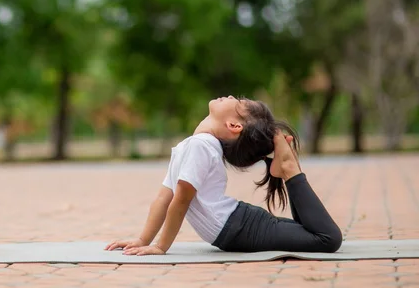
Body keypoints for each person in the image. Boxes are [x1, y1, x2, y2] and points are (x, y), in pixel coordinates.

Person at [105, 96, 342, 256]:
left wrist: (161, 246)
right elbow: (163, 198)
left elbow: (181, 200)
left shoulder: (201, 147)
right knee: (313, 232)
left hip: (239, 228)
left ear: (234, 125)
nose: (229, 96)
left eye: (237, 101)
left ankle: (288, 167)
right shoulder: (192, 146)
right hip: (238, 226)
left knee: (326, 239)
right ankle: (285, 167)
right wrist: (143, 240)